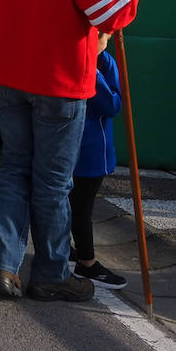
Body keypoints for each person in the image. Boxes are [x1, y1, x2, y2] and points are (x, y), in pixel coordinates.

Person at [0, 0, 140, 302]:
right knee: (53, 182)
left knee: (14, 170)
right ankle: (50, 271)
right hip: (60, 81)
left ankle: (3, 264)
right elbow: (114, 13)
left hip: (5, 73)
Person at [68, 47, 128, 289]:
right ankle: (87, 262)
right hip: (91, 151)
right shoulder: (90, 69)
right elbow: (113, 104)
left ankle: (63, 248)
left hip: (69, 145)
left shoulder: (81, 59)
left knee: (68, 203)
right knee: (82, 209)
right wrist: (105, 61)